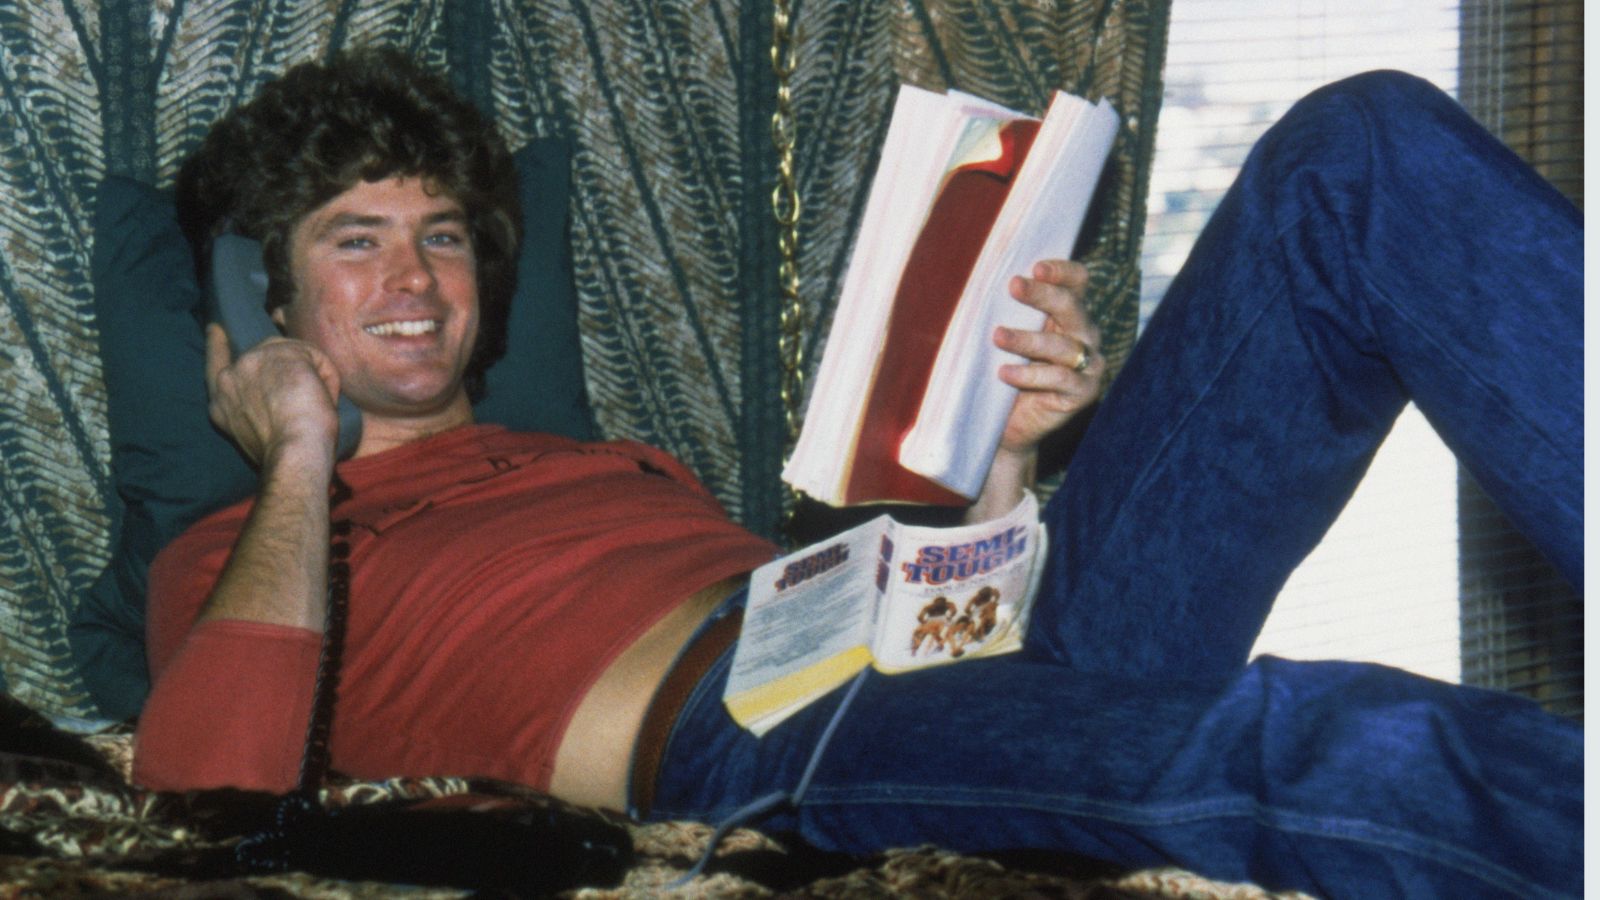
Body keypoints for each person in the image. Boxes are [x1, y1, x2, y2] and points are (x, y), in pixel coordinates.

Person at [132, 47, 1581, 898]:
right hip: (756, 740)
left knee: (1357, 151)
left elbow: (940, 621)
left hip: (951, 643)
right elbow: (205, 805)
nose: (413, 274)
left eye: (440, 232)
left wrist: (1010, 460)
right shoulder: (250, 552)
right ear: (263, 302)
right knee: (1320, 736)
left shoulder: (611, 466)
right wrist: (301, 452)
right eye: (352, 238)